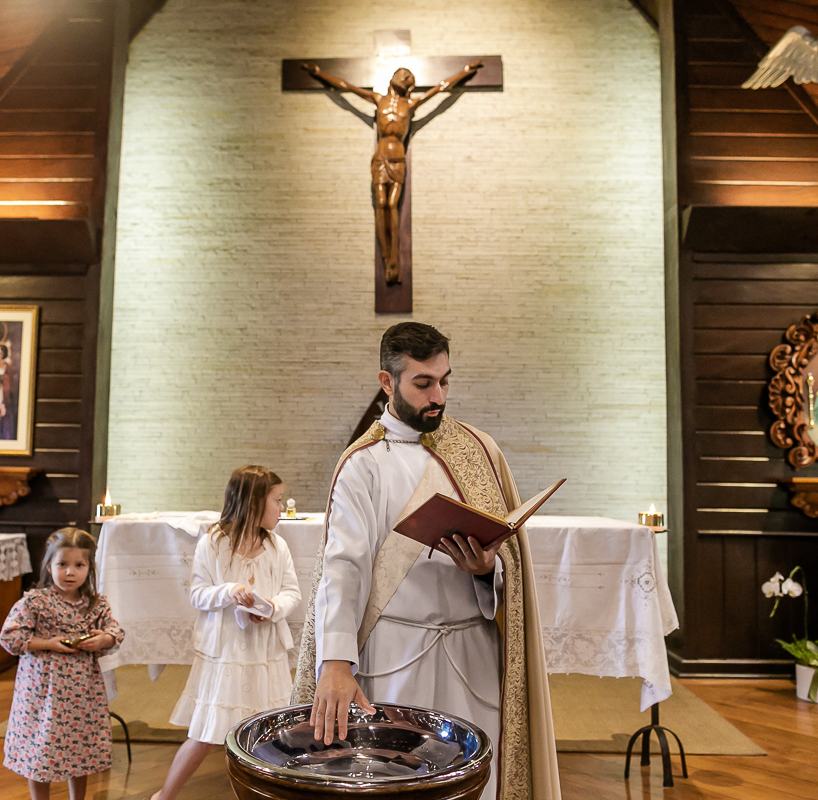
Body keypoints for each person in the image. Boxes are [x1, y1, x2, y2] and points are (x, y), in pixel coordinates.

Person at [292, 322, 561, 800]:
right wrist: (334, 662)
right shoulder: (363, 464)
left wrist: (486, 571)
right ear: (386, 382)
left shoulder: (478, 451)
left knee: (476, 780)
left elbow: (510, 567)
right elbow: (343, 567)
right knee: (398, 784)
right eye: (423, 384)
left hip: (472, 651)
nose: (437, 395)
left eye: (444, 381)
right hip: (394, 653)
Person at [152, 465, 301, 800]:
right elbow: (197, 594)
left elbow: (292, 592)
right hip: (227, 652)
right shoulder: (213, 544)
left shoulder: (278, 546)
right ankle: (164, 795)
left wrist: (273, 609)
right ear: (253, 503)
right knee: (206, 731)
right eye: (276, 500)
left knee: (270, 732)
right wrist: (228, 590)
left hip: (265, 651)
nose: (282, 506)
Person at [302, 61, 481, 283]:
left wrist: (464, 73)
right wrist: (319, 73)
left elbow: (441, 88)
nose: (404, 77)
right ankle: (386, 256)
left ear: (410, 86)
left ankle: (394, 254)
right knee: (380, 203)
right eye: (401, 73)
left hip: (398, 159)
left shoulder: (411, 104)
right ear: (392, 78)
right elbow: (345, 86)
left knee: (392, 205)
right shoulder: (378, 99)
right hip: (380, 158)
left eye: (408, 76)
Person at [0, 528, 125, 800]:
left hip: (82, 695)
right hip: (42, 692)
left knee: (79, 749)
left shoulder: (96, 604)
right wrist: (49, 643)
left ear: (89, 568)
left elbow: (115, 633)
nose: (70, 572)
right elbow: (10, 637)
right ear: (49, 565)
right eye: (62, 564)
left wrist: (101, 639)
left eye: (79, 565)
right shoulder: (35, 601)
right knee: (40, 747)